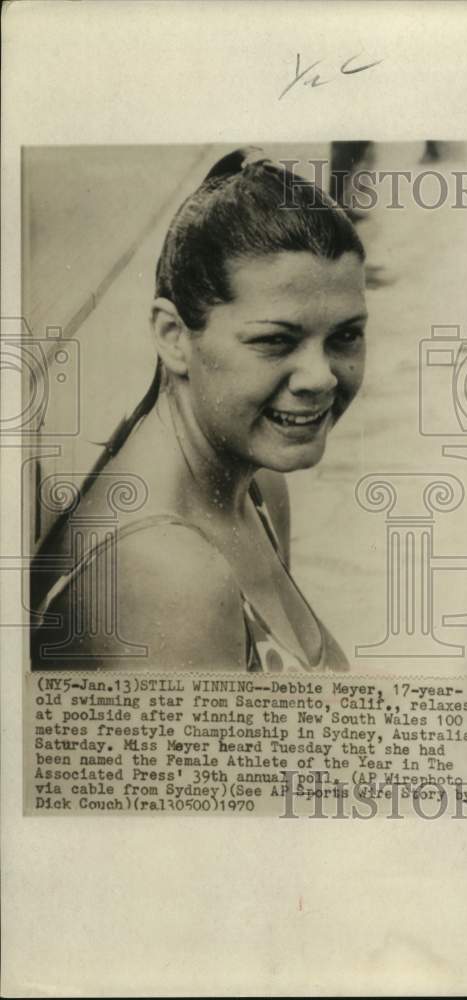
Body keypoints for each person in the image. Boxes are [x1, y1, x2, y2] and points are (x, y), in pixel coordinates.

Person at [31, 148, 367, 672]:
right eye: (276, 341)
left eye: (345, 336)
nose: (321, 377)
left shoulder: (255, 486)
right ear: (173, 337)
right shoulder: (168, 573)